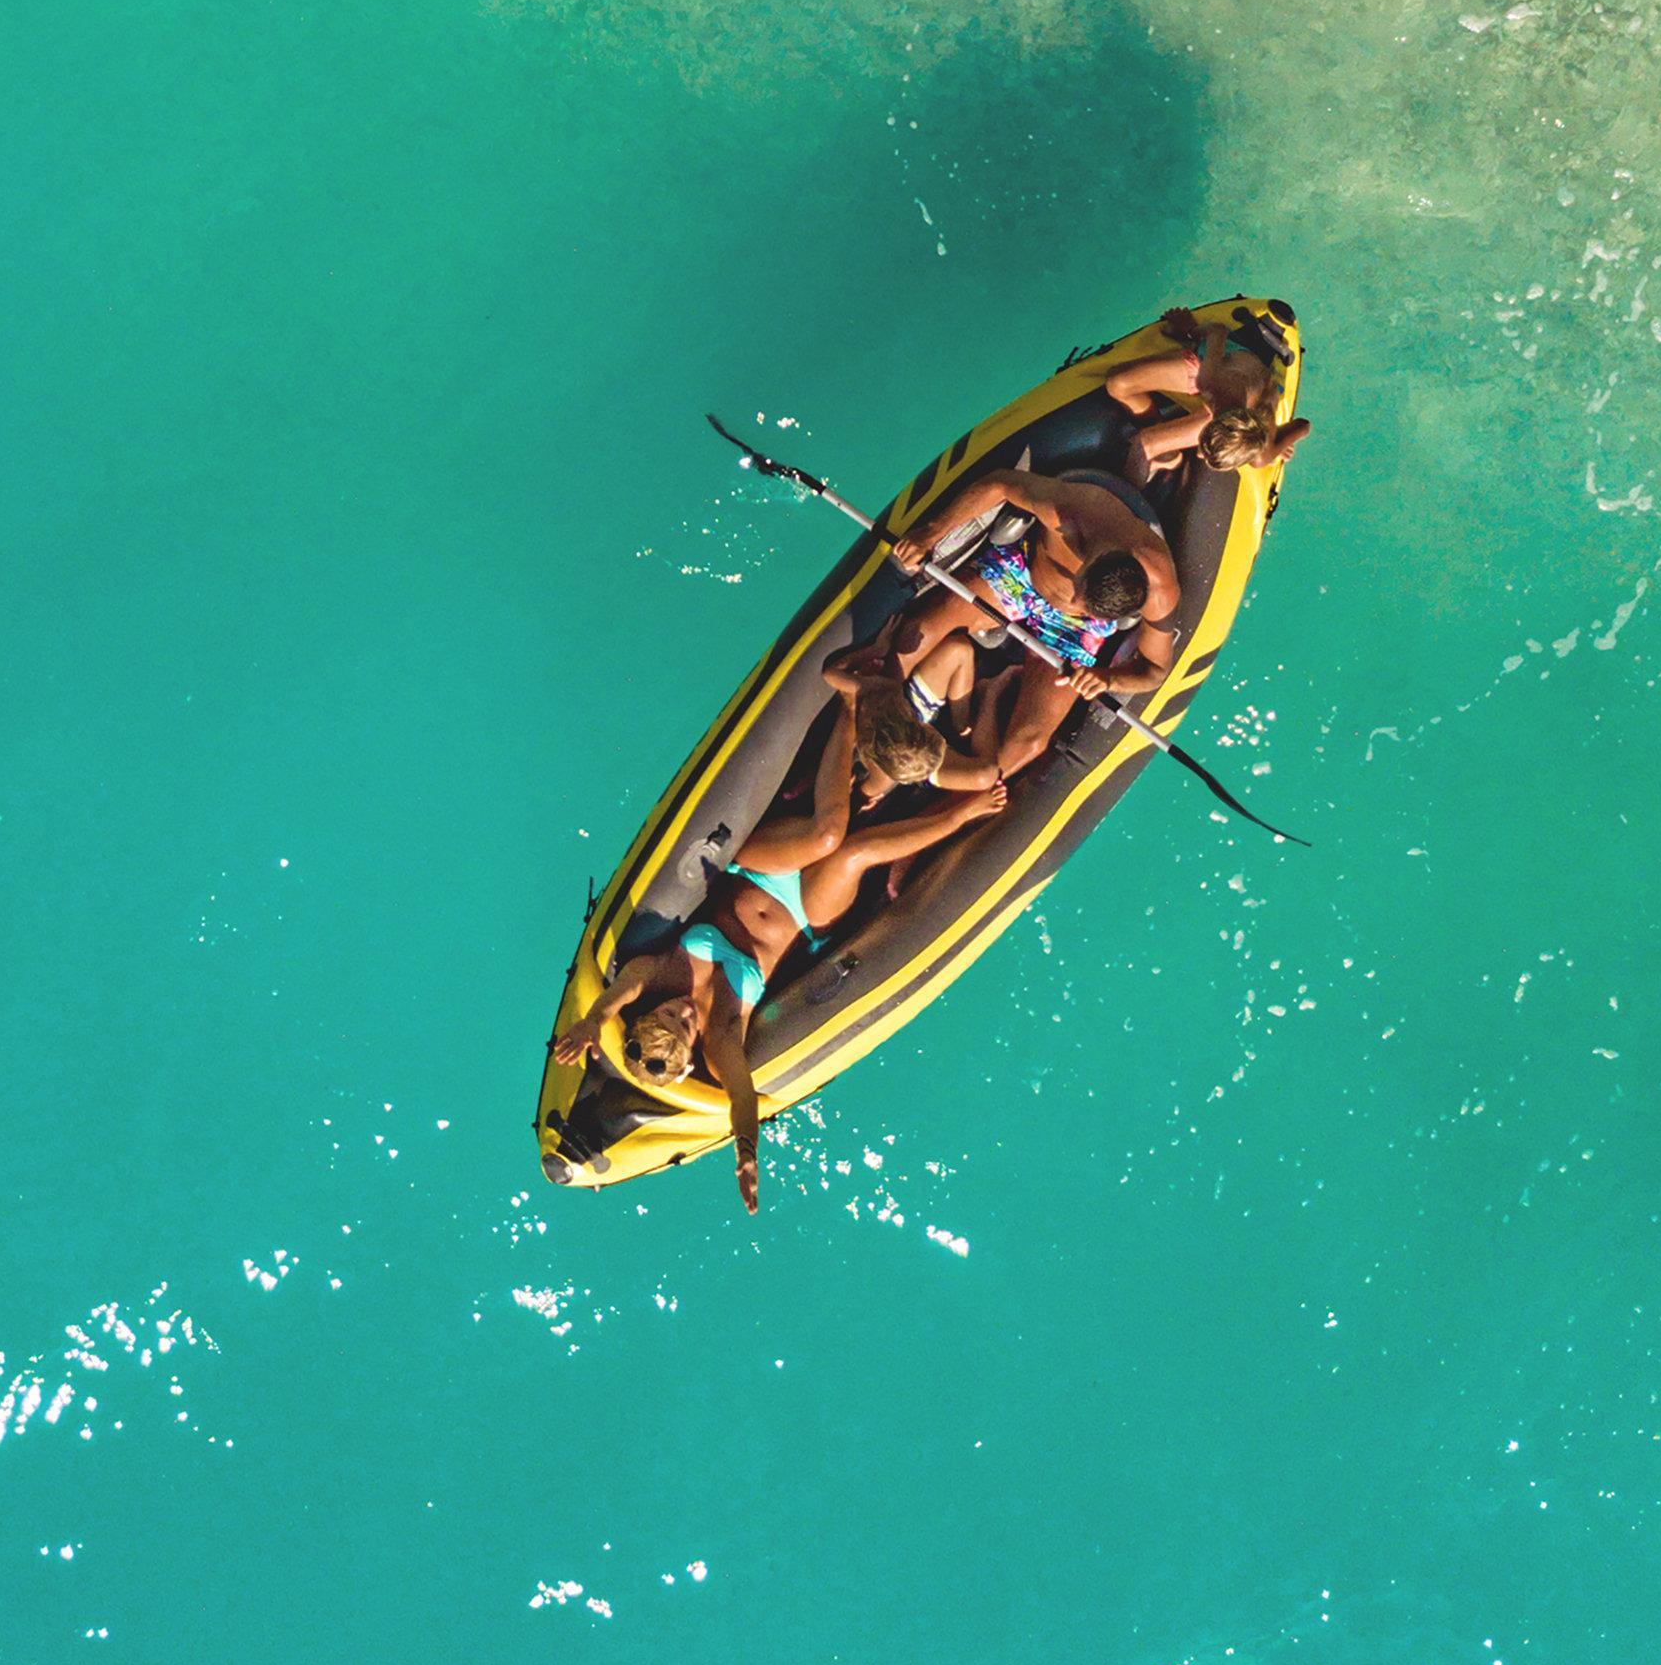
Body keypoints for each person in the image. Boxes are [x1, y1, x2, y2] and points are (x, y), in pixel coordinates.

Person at [547, 661, 1009, 1209]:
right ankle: (960, 816)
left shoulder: (660, 979)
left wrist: (592, 1021)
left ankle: (851, 707)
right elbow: (742, 1097)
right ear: (694, 1055)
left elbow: (617, 996)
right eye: (684, 1025)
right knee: (853, 854)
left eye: (669, 1014)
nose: (684, 1012)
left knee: (828, 835)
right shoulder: (719, 1039)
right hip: (806, 917)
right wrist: (746, 1150)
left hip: (758, 868)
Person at [886, 464, 1184, 785]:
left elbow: (1154, 670)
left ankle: (950, 800)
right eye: (1079, 592)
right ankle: (883, 716)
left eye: (1088, 607)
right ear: (1093, 563)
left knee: (1029, 744)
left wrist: (1108, 679)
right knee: (918, 633)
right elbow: (1000, 482)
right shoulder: (1075, 513)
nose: (1075, 601)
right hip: (1021, 578)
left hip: (1075, 632)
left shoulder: (1160, 589)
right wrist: (931, 533)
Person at [1104, 303, 1310, 484]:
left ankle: (1169, 457)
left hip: (1245, 388)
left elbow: (1304, 425)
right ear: (1213, 422)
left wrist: (1279, 442)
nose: (1199, 454)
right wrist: (1189, 330)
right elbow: (1218, 331)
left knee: (1147, 444)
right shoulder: (1212, 380)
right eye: (1203, 447)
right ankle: (1167, 452)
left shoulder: (1261, 452)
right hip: (1229, 359)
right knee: (1118, 384)